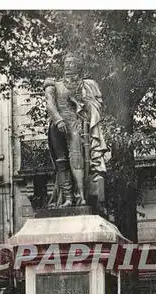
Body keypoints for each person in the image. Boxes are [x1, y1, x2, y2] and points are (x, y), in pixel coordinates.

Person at [44, 52, 107, 208]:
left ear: (78, 66)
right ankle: (68, 198)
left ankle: (80, 196)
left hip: (75, 125)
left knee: (76, 158)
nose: (68, 64)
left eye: (72, 62)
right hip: (57, 127)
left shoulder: (85, 85)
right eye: (66, 62)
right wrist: (58, 120)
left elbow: (94, 105)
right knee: (61, 162)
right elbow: (50, 105)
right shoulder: (53, 84)